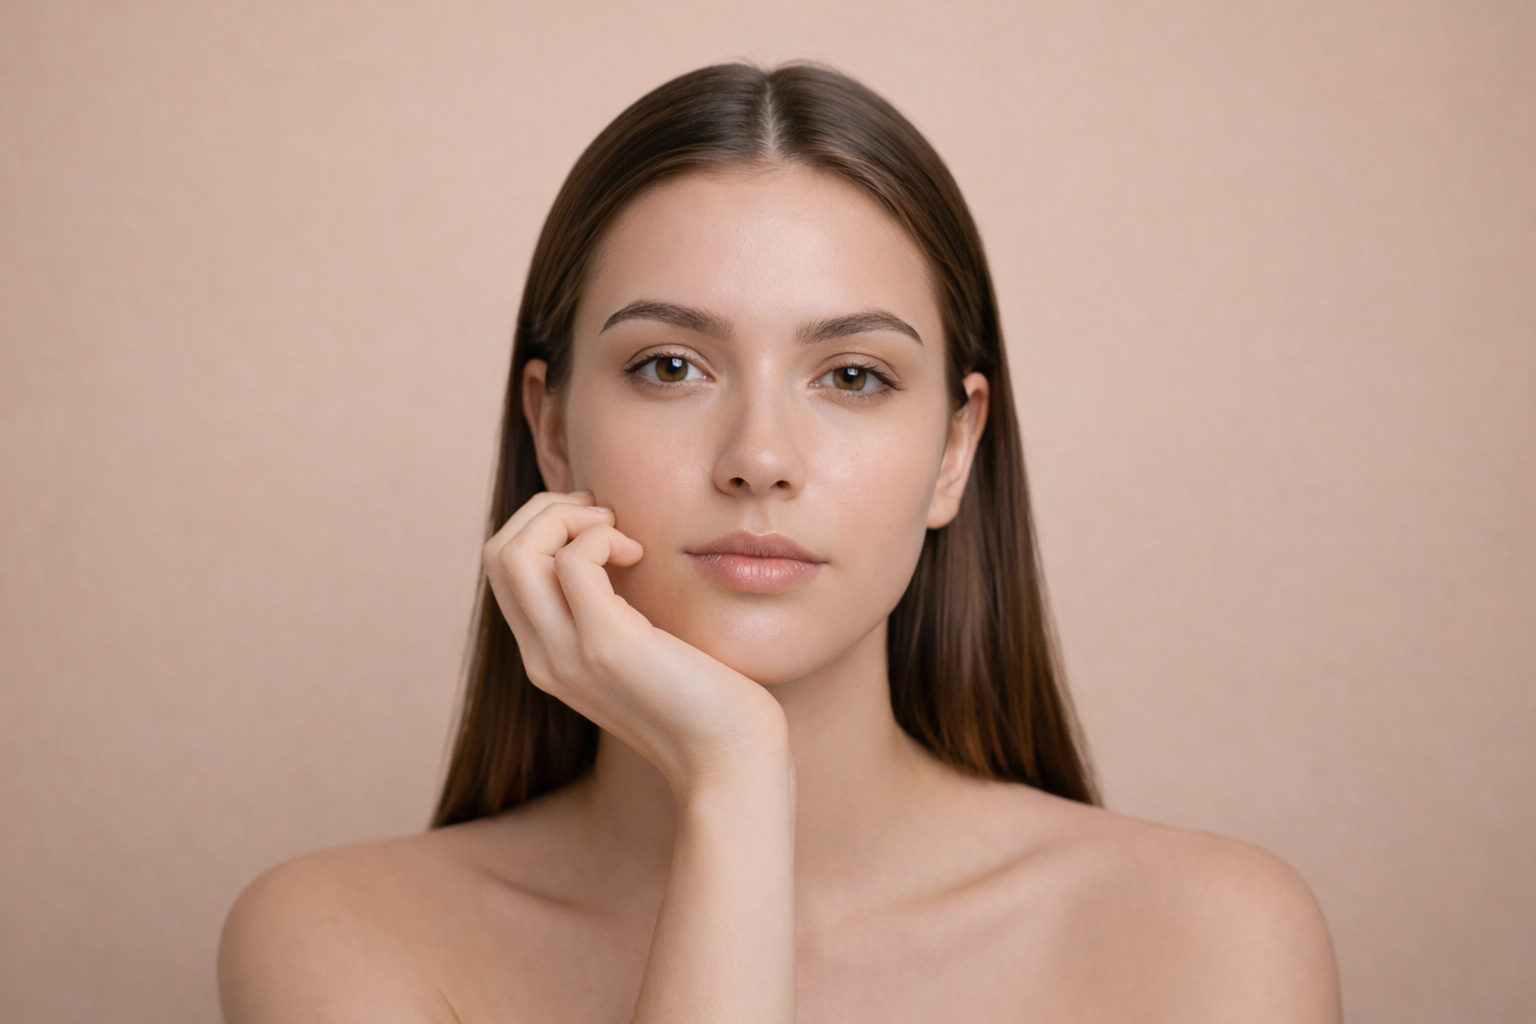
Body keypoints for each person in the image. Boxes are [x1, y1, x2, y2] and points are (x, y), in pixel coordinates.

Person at [218, 63, 1341, 1023]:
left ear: (956, 450)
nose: (759, 456)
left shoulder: (1205, 943)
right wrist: (736, 780)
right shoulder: (342, 940)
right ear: (552, 428)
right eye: (670, 365)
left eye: (853, 376)